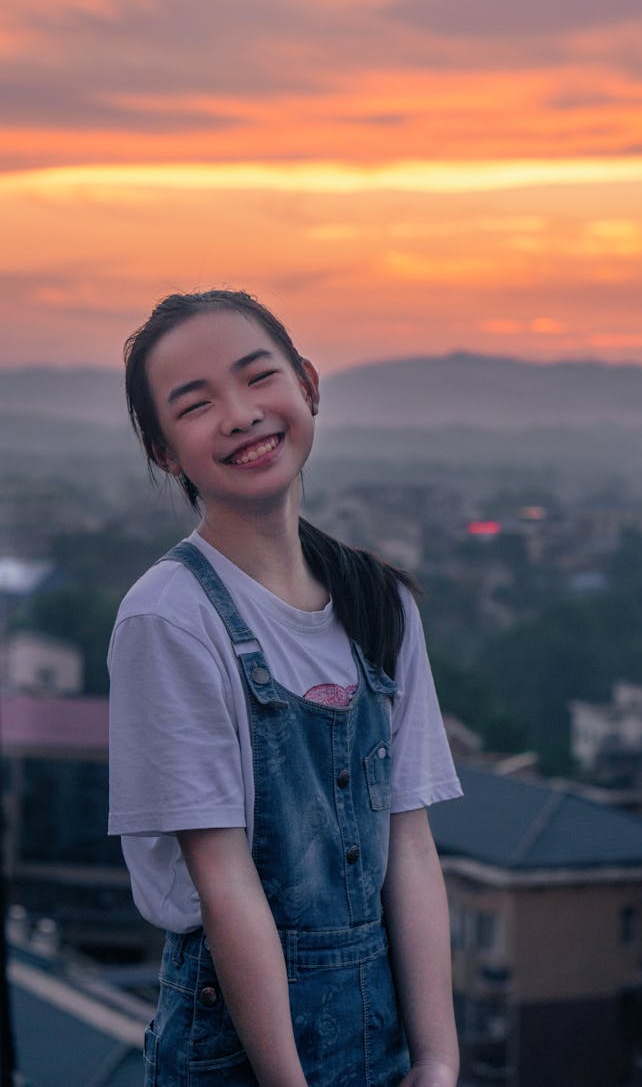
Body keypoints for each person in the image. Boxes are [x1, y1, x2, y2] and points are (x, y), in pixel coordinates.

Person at [107, 289, 463, 1087]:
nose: (239, 415)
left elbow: (408, 845)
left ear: (306, 383)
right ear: (165, 451)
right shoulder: (169, 616)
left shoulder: (381, 602)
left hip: (384, 1030)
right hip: (237, 1045)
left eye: (257, 377)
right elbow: (224, 879)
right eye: (195, 404)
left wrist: (438, 1058)